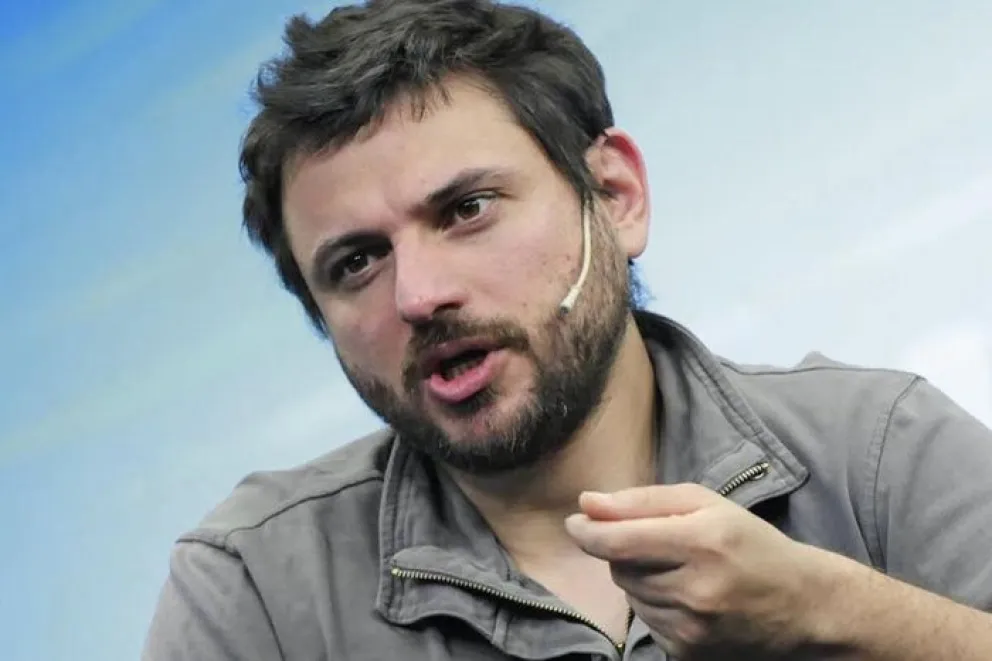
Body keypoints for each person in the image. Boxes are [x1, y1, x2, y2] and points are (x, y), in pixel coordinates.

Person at [143, 1, 992, 659]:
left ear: (615, 198)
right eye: (357, 262)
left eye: (468, 209)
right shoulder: (255, 589)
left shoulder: (877, 449)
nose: (420, 295)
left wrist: (831, 612)